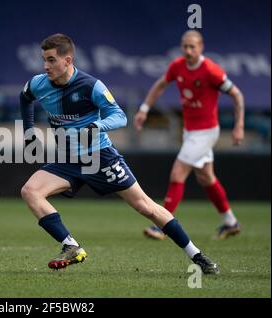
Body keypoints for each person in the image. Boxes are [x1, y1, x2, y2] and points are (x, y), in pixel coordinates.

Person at [19, 33, 219, 274]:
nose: (45, 66)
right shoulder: (39, 83)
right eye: (44, 60)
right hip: (67, 160)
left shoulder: (91, 86)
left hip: (100, 157)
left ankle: (197, 255)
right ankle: (71, 246)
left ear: (68, 60)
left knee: (145, 207)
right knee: (30, 191)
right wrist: (29, 131)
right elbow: (25, 97)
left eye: (51, 60)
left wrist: (97, 126)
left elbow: (120, 116)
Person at [134, 30, 244, 241]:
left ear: (201, 47)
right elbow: (160, 85)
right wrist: (144, 109)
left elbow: (236, 94)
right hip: (191, 131)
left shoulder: (211, 70)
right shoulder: (177, 66)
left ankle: (161, 225)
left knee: (177, 173)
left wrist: (238, 126)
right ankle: (230, 222)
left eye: (192, 47)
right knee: (205, 177)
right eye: (185, 46)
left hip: (206, 132)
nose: (188, 51)